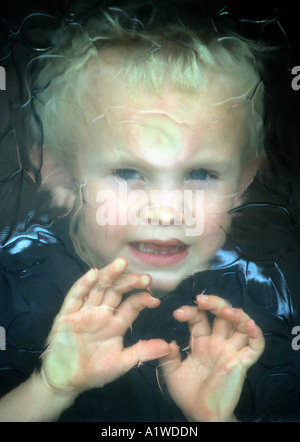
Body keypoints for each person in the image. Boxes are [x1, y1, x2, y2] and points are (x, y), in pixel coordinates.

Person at [0, 0, 299, 422]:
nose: (165, 212)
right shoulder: (12, 284)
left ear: (244, 182)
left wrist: (214, 417)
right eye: (127, 172)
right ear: (62, 178)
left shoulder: (267, 303)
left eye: (200, 173)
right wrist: (49, 387)